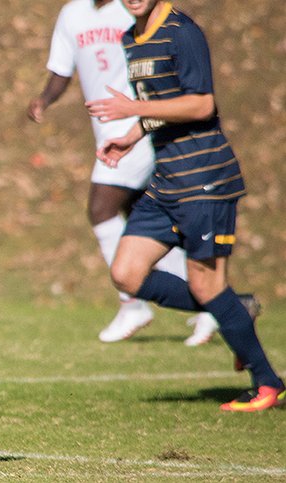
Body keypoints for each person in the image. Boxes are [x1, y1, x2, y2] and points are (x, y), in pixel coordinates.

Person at [89, 0, 284, 411]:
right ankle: (236, 308)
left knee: (206, 285)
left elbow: (200, 105)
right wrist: (131, 135)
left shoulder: (182, 32)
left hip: (206, 179)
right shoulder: (132, 38)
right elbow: (164, 105)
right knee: (126, 273)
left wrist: (134, 109)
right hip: (167, 182)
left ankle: (267, 383)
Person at [27, 0, 218, 345]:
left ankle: (133, 304)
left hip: (138, 126)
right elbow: (61, 69)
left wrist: (143, 111)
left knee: (101, 208)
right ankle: (210, 302)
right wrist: (43, 100)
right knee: (145, 225)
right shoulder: (73, 13)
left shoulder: (133, 10)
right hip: (109, 132)